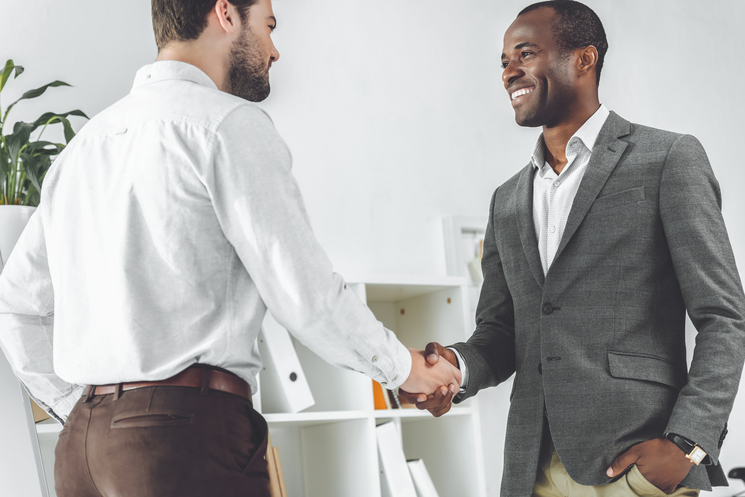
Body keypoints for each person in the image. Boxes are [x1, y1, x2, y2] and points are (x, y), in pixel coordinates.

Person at [0, 1, 461, 496]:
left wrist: (82, 407)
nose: (275, 50)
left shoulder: (83, 149)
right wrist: (406, 368)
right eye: (268, 26)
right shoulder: (225, 124)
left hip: (81, 453)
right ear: (225, 13)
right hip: (184, 441)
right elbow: (303, 293)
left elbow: (17, 306)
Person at [401, 1, 745, 496]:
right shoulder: (508, 200)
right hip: (531, 465)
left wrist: (688, 443)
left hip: (633, 462)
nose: (508, 72)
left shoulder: (668, 158)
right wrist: (453, 368)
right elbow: (502, 331)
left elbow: (723, 316)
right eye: (503, 61)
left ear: (583, 59)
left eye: (525, 53)